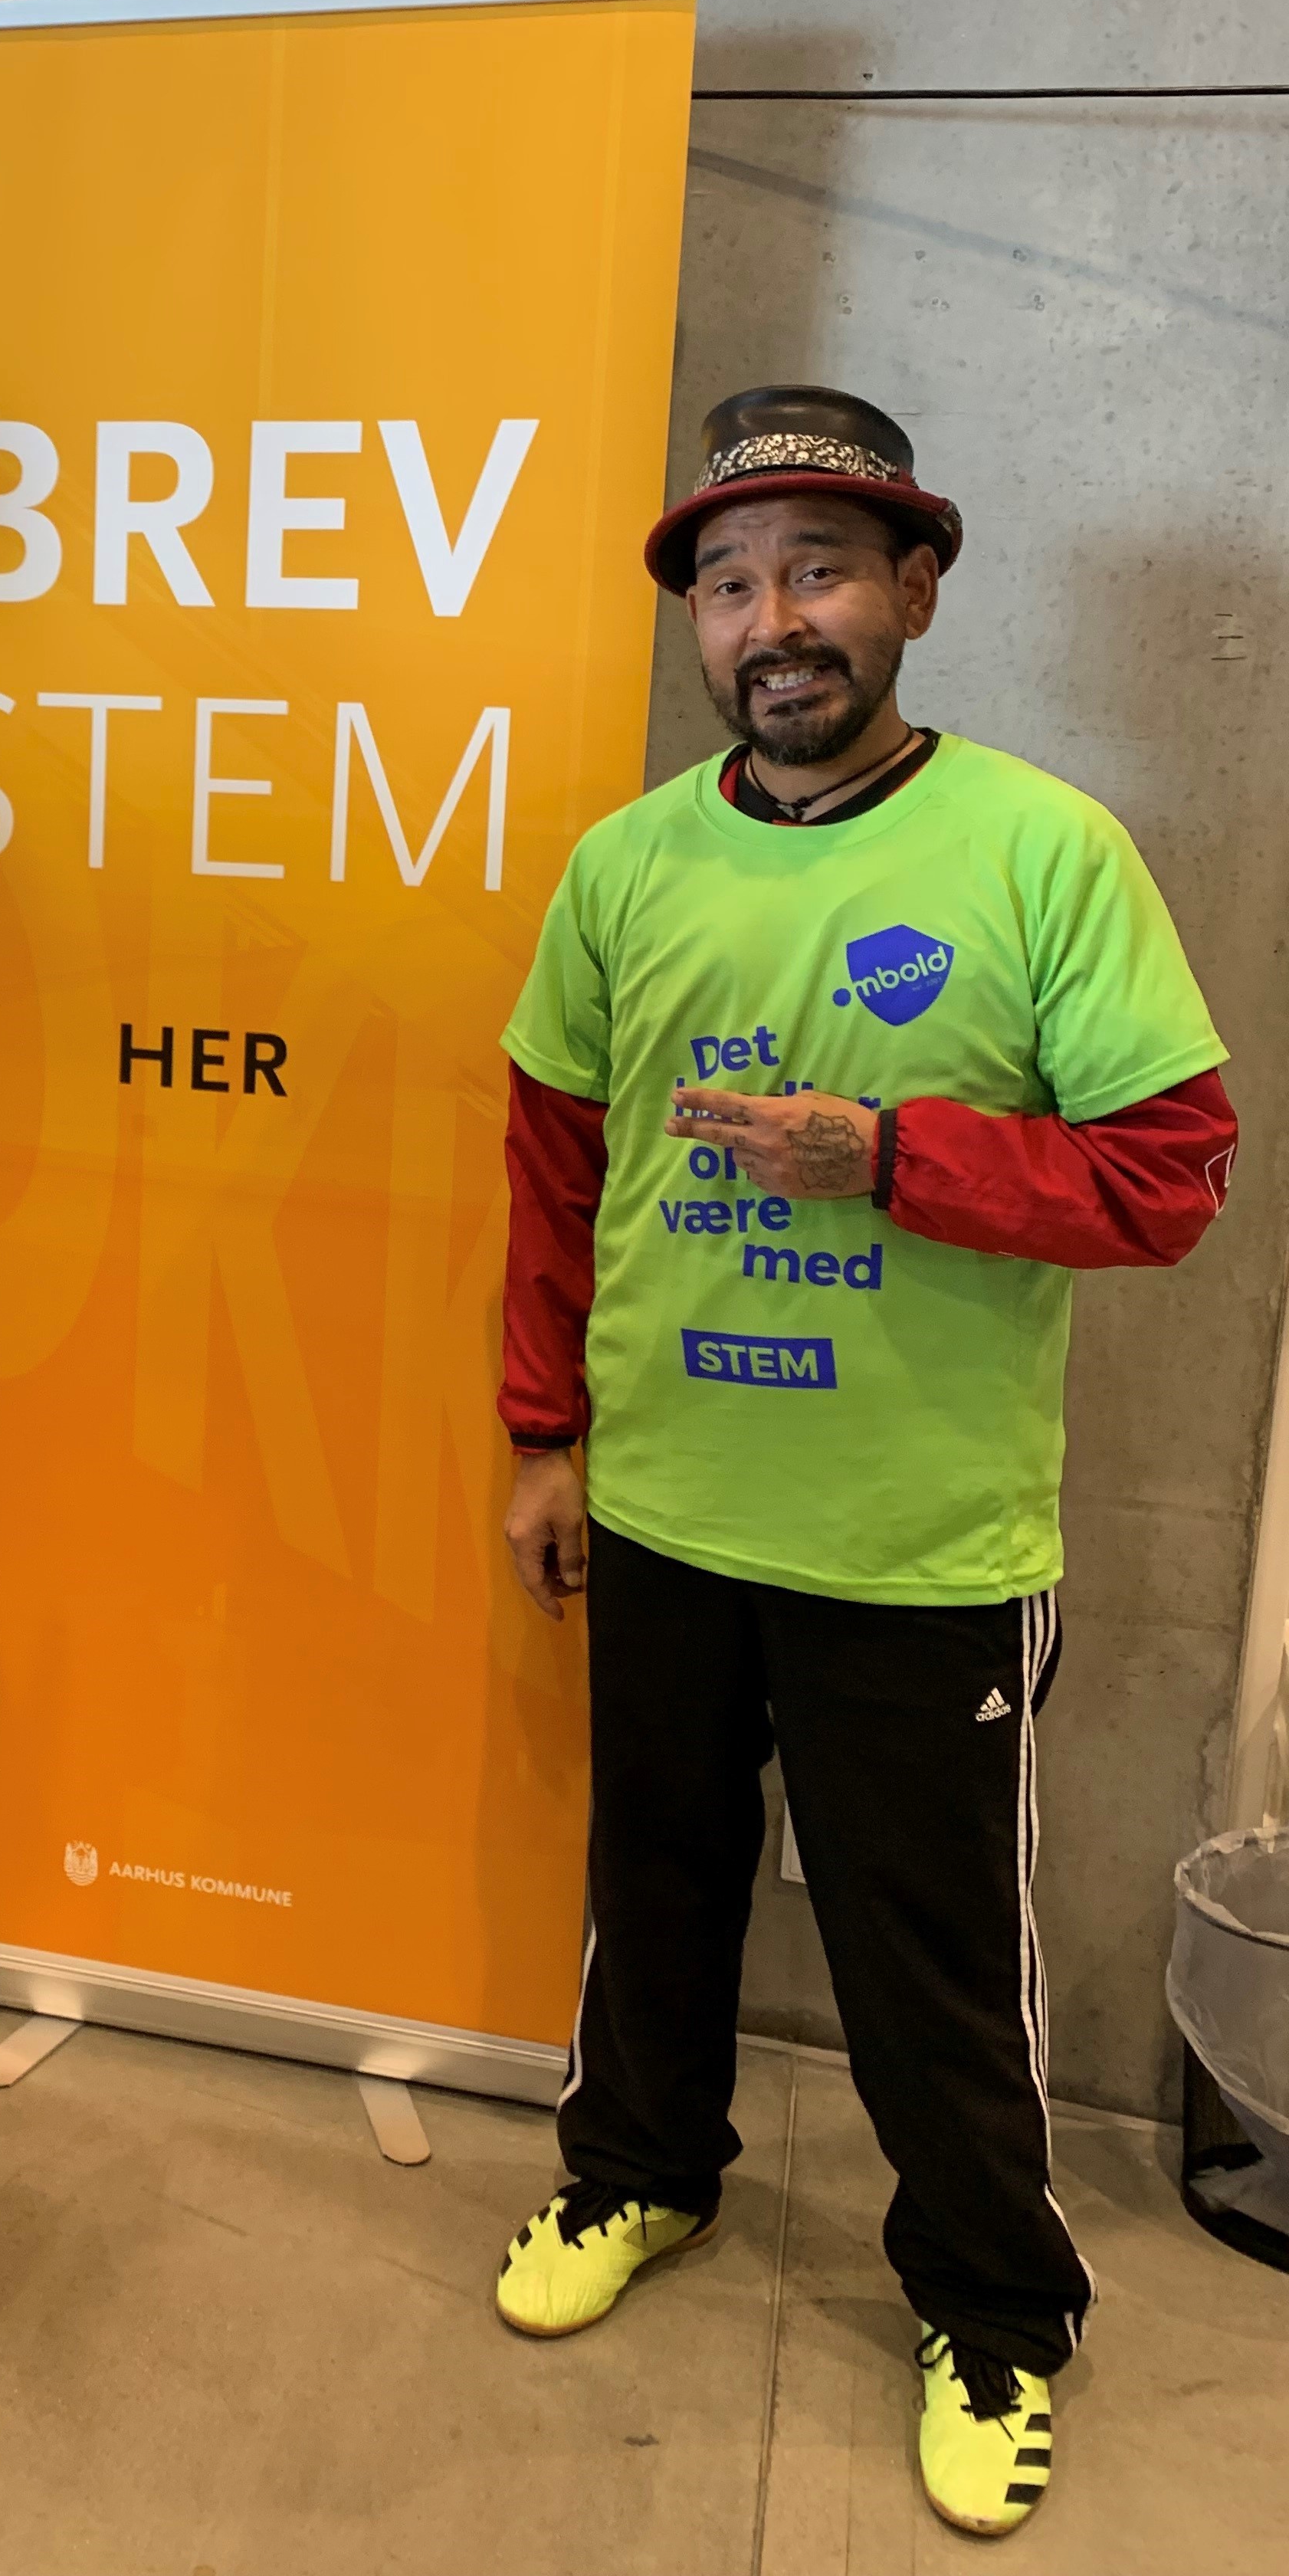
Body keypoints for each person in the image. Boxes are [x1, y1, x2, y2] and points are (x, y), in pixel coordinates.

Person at [491, 386, 1235, 2540]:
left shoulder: (1043, 850)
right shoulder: (627, 866)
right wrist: (544, 1438)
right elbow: (554, 1178)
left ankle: (995, 2311)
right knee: (656, 1884)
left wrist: (889, 1158)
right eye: (730, 585)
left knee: (930, 1955)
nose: (773, 621)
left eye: (818, 569)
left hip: (922, 1542)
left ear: (914, 589)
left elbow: (1171, 1177)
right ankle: (641, 2172)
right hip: (666, 1507)